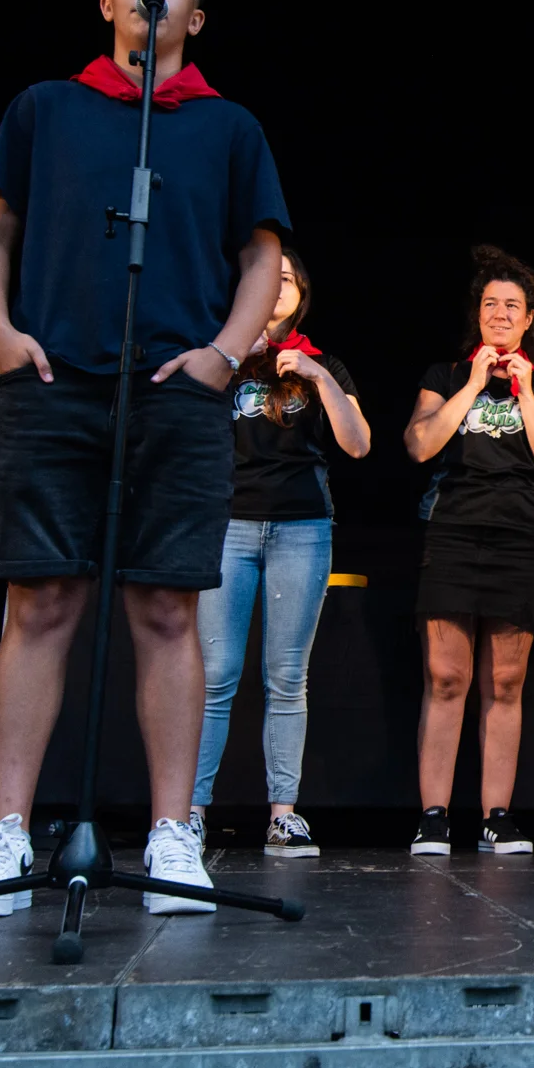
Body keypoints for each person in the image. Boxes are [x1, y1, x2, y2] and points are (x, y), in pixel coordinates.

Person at [0, 0, 287, 916]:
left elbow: (262, 254)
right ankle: (5, 833)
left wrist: (222, 356)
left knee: (168, 609)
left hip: (175, 392)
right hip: (56, 384)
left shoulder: (229, 126)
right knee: (40, 603)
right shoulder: (47, 107)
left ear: (198, 13)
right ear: (107, 1)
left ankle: (174, 833)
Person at [189, 248, 370, 857]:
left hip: (301, 527)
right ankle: (190, 812)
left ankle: (284, 814)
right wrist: (232, 358)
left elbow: (359, 444)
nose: (278, 285)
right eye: (270, 277)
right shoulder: (226, 357)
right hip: (230, 526)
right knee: (216, 674)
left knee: (287, 677)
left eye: (289, 278)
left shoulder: (323, 364)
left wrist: (318, 377)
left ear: (302, 294)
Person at [403, 247, 534, 857]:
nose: (500, 314)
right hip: (452, 532)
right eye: (490, 304)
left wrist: (523, 391)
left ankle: (496, 815)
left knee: (505, 680)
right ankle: (433, 816)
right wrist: (475, 383)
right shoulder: (446, 375)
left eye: (512, 306)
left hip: (520, 538)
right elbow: (420, 444)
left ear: (529, 319)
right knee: (447, 676)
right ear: (477, 313)